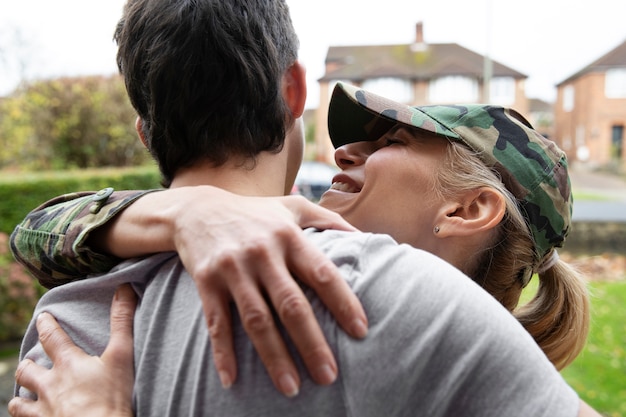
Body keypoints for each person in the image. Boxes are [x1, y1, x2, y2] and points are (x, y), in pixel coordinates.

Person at [7, 0, 597, 414]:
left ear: (468, 211)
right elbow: (35, 229)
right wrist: (188, 212)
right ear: (292, 93)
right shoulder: (275, 240)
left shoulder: (405, 304)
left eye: (390, 142)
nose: (342, 152)